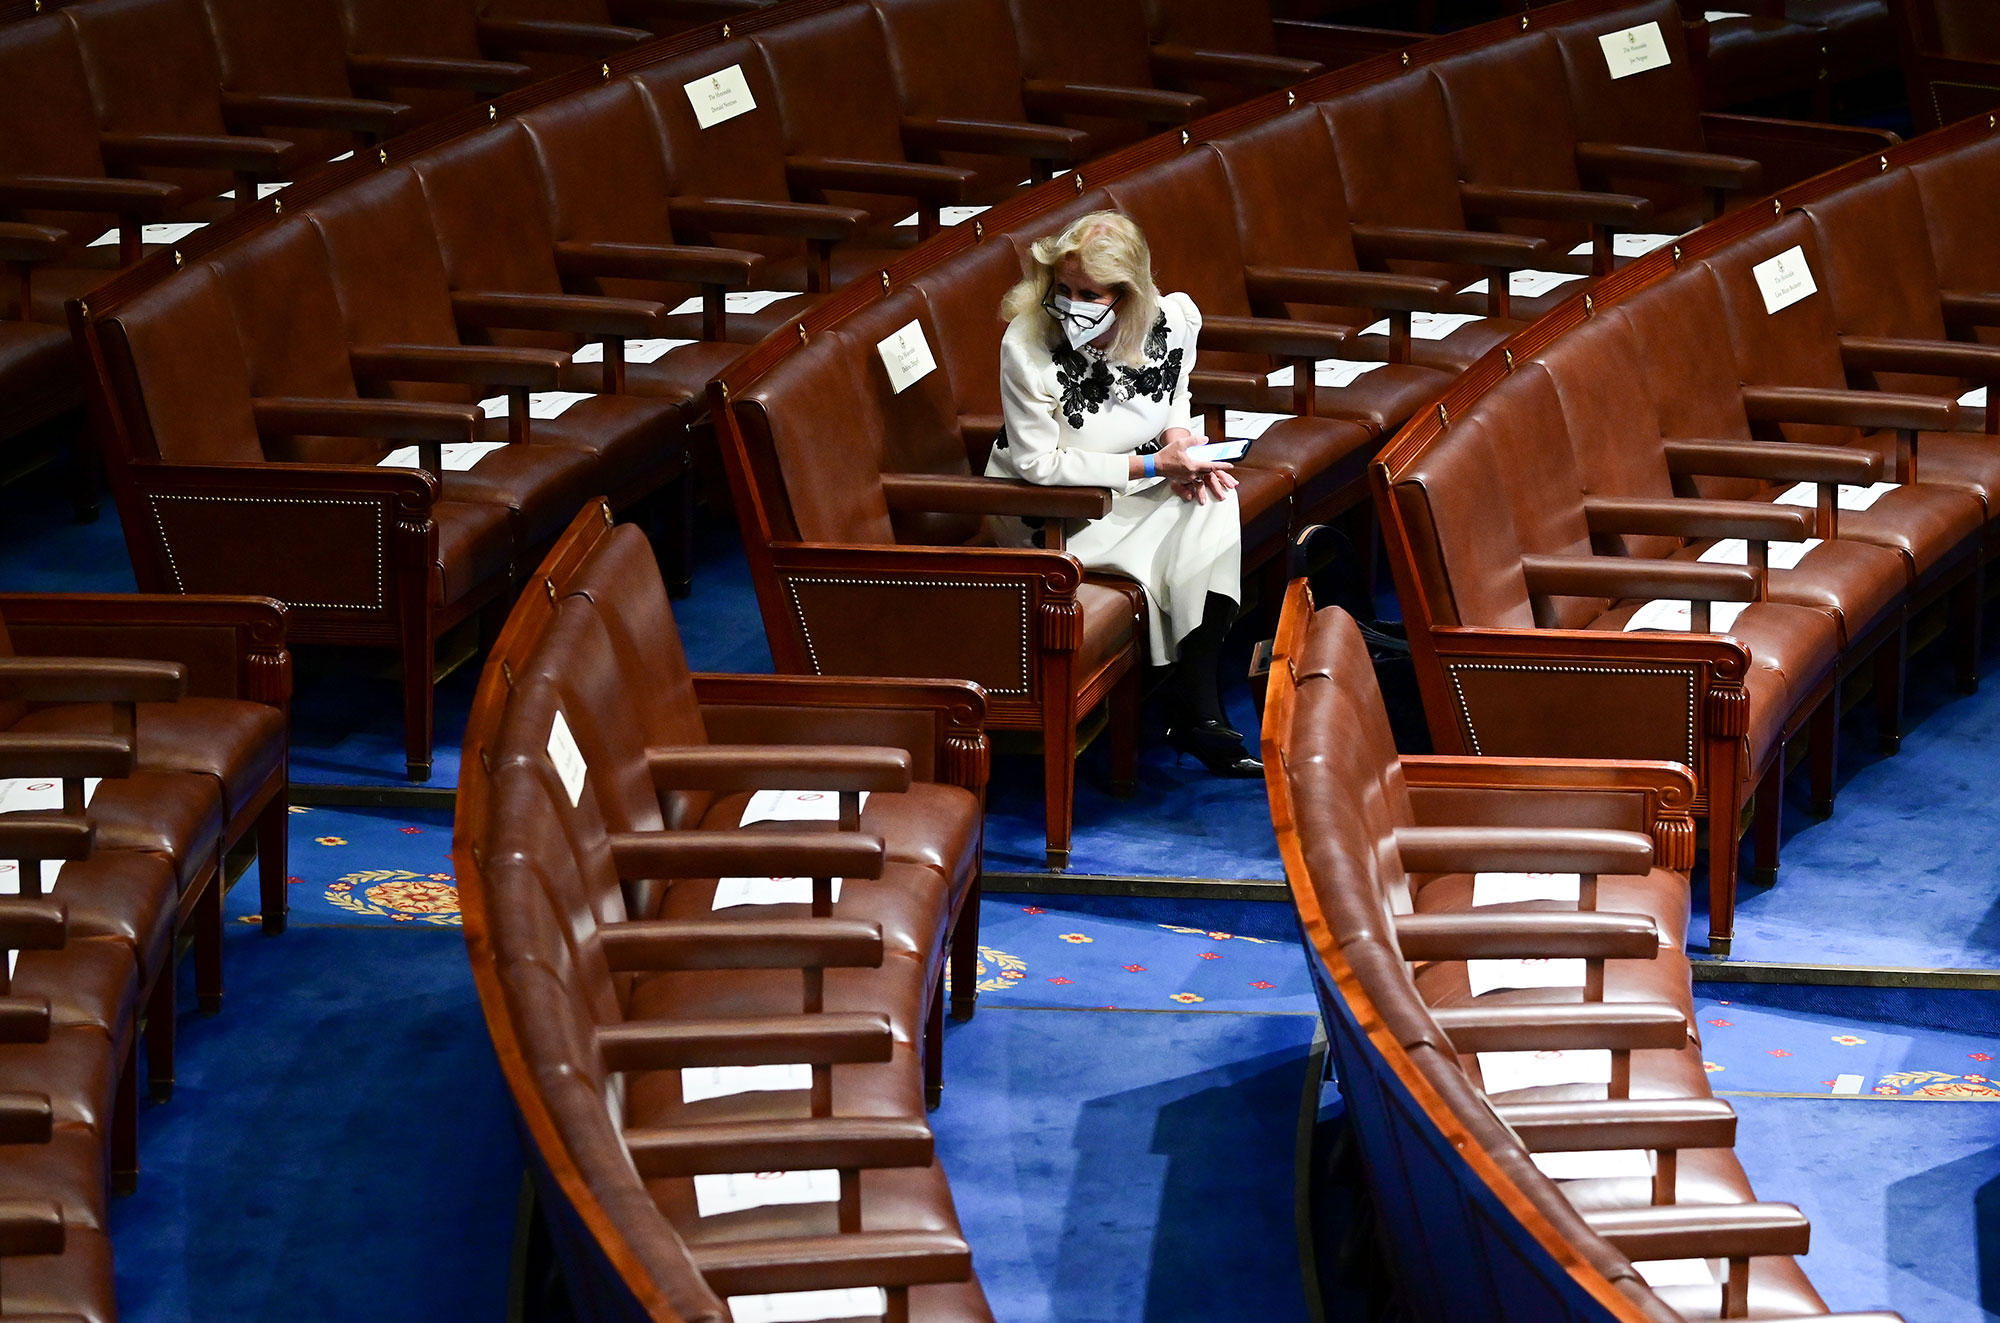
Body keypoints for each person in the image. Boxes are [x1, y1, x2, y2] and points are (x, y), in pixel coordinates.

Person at [988, 210, 1259, 777]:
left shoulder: (1172, 319)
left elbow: (1176, 395)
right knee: (1199, 509)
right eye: (1062, 288)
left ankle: (1196, 708)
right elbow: (1037, 465)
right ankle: (1196, 707)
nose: (1070, 303)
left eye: (1089, 293)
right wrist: (1158, 463)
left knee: (1212, 494)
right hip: (1055, 510)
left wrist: (1182, 442)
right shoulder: (1026, 343)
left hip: (1136, 482)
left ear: (1129, 295)